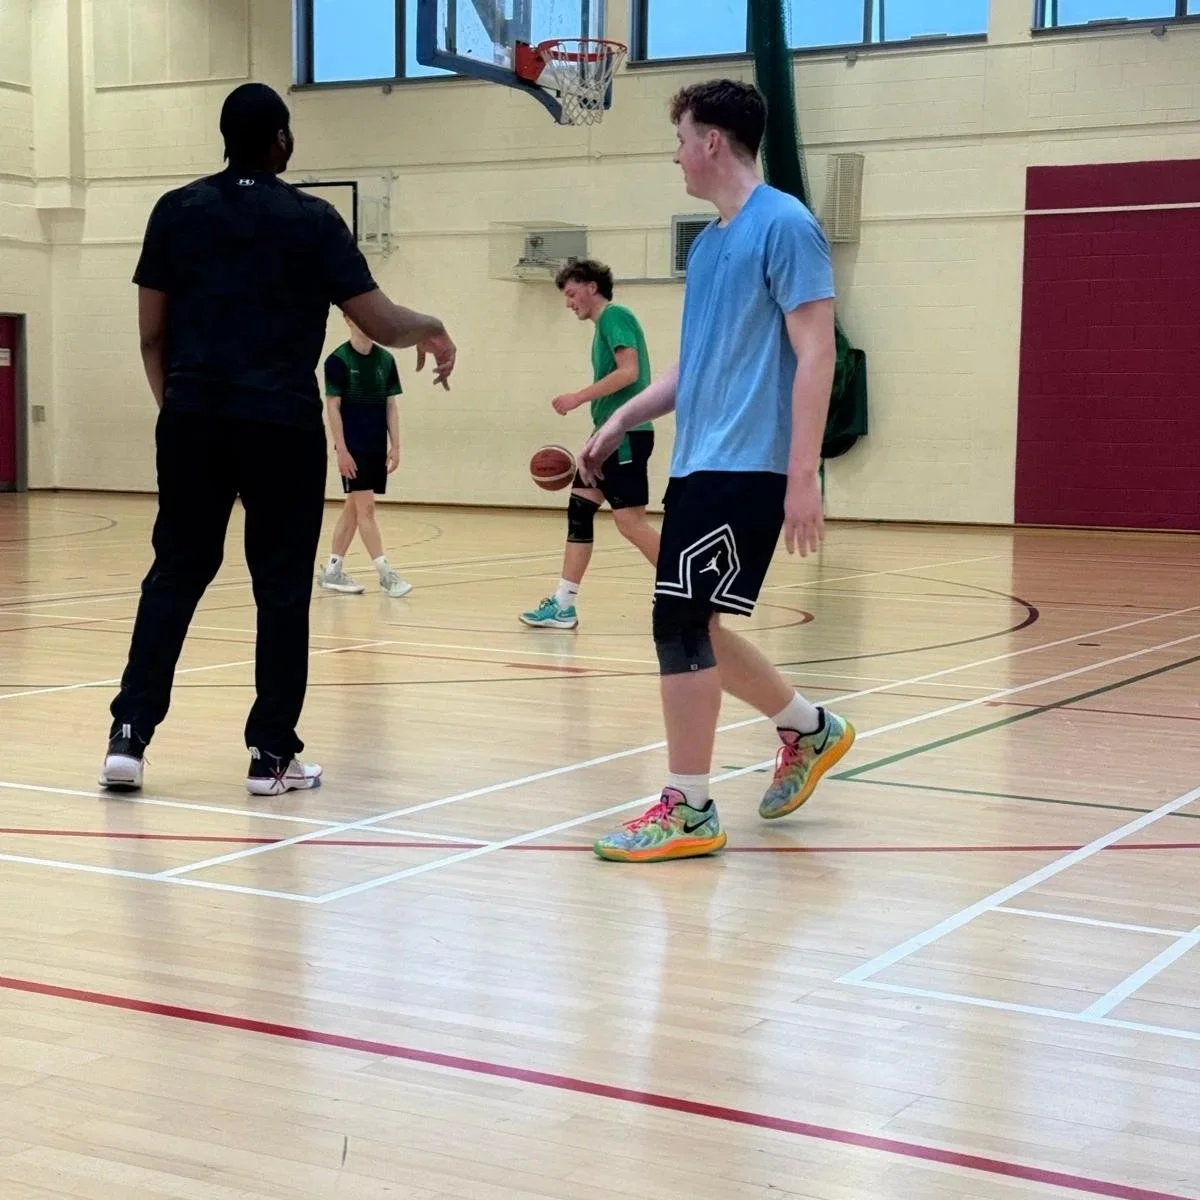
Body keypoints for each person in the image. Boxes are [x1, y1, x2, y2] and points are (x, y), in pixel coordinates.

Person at [99, 82, 455, 798]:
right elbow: (382, 322)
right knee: (282, 589)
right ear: (281, 141)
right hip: (280, 425)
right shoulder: (311, 220)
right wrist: (434, 327)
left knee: (175, 574)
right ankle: (271, 755)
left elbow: (150, 334)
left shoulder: (174, 211)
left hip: (193, 417)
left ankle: (129, 739)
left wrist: (177, 408)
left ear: (224, 136)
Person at [579, 80, 855, 862]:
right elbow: (696, 368)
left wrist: (804, 474)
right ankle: (809, 728)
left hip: (750, 467)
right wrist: (627, 413)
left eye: (681, 138)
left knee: (676, 623)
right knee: (693, 621)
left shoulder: (787, 225)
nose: (674, 155)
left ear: (711, 143)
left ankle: (691, 807)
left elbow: (816, 351)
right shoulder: (708, 245)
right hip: (701, 463)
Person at [519, 260, 659, 630]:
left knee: (630, 524)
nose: (568, 303)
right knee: (580, 511)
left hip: (626, 434)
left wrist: (579, 397)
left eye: (570, 293)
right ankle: (564, 604)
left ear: (591, 287)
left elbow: (629, 372)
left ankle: (686, 591)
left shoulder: (615, 316)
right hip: (607, 434)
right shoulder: (602, 327)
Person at [318, 315, 412, 598]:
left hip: (375, 446)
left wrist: (395, 445)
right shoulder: (338, 360)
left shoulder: (385, 360)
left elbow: (390, 406)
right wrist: (342, 450)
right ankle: (386, 574)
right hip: (353, 447)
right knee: (366, 509)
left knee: (353, 507)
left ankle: (333, 570)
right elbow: (332, 408)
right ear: (348, 320)